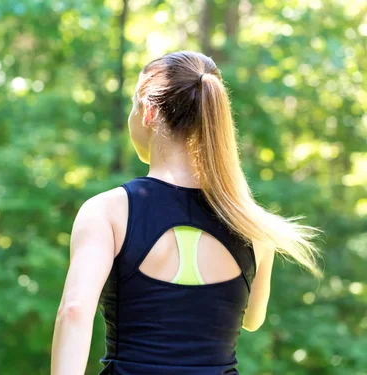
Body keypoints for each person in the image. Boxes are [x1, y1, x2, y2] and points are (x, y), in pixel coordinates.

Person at [50, 51, 323, 375]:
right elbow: (252, 319)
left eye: (134, 107)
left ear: (149, 112)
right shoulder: (253, 225)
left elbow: (75, 311)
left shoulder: (108, 211)